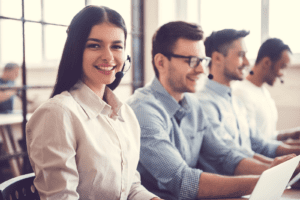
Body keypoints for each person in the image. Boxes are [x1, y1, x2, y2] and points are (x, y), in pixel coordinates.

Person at [126, 21, 295, 200]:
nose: (201, 69)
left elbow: (224, 157)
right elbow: (183, 180)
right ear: (161, 62)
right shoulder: (142, 110)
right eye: (191, 61)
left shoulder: (192, 105)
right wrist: (265, 180)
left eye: (202, 60)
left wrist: (277, 170)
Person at [26, 5, 160, 200]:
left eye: (117, 46)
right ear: (76, 50)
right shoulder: (57, 114)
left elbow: (129, 187)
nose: (108, 56)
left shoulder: (126, 115)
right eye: (95, 45)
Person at [197, 29, 300, 172]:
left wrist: (292, 157)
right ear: (217, 58)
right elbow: (231, 155)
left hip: (251, 180)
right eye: (241, 55)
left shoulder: (235, 101)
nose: (247, 62)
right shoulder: (204, 103)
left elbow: (259, 144)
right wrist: (278, 168)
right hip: (230, 188)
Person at [232, 38, 300, 143]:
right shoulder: (240, 92)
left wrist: (292, 134)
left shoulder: (263, 92)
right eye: (282, 67)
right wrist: (292, 146)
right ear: (267, 62)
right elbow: (252, 143)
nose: (282, 74)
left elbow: (267, 135)